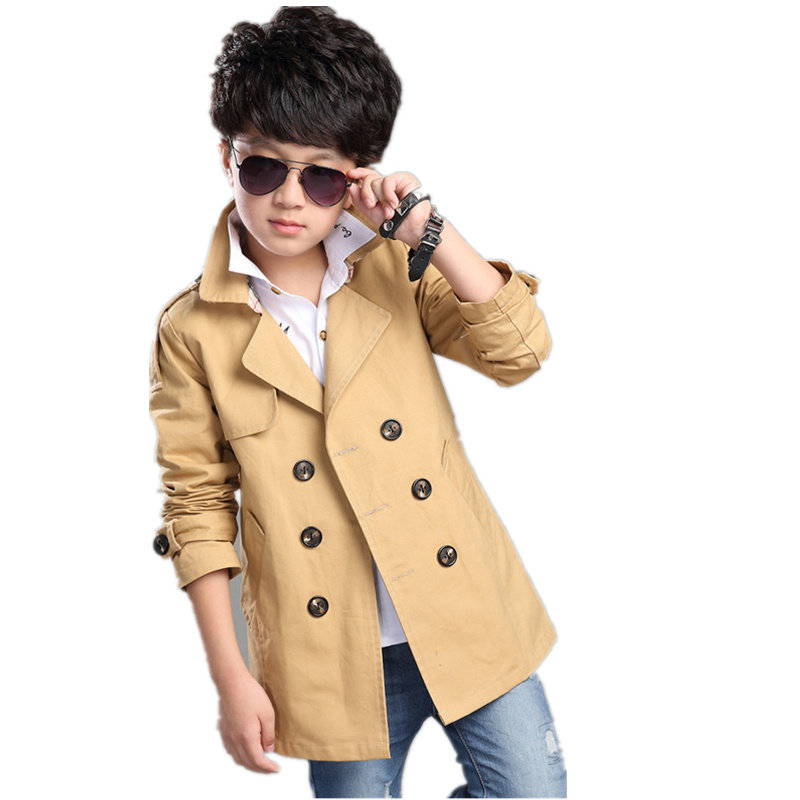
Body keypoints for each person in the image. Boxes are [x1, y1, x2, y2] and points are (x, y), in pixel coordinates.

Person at [149, 6, 566, 797]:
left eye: (322, 176)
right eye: (263, 168)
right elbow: (196, 508)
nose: (289, 198)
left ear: (358, 178)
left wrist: (429, 230)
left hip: (462, 607)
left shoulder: (394, 267)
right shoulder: (192, 329)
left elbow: (521, 351)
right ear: (227, 159)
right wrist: (231, 677)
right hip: (326, 648)